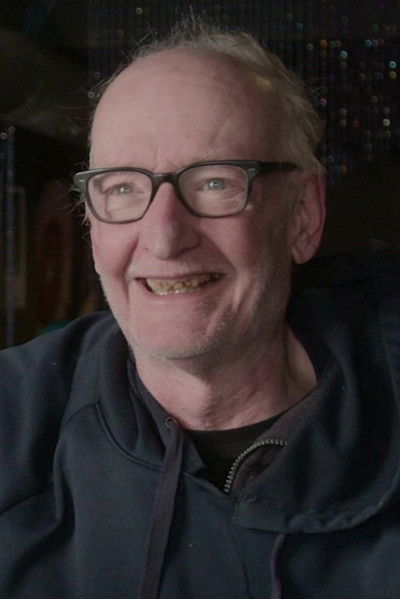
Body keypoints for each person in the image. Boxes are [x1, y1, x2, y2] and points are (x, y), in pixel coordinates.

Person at [1, 20, 399, 599]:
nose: (164, 237)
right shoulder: (15, 421)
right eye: (123, 188)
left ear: (303, 215)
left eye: (215, 182)